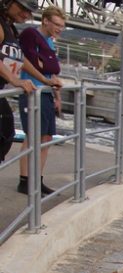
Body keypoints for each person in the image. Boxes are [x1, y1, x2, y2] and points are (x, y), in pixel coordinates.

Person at [17, 4, 65, 195]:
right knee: (32, 137)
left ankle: (37, 179)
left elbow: (52, 72)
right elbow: (25, 61)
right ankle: (25, 180)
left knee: (46, 138)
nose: (59, 29)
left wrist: (57, 96)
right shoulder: (30, 34)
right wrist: (45, 76)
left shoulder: (50, 43)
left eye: (62, 26)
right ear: (45, 20)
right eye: (57, 24)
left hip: (45, 94)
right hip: (32, 92)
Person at [0, 0, 38, 164]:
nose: (26, 14)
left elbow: (20, 58)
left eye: (29, 12)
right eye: (23, 8)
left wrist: (45, 79)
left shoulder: (11, 29)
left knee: (6, 134)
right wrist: (14, 79)